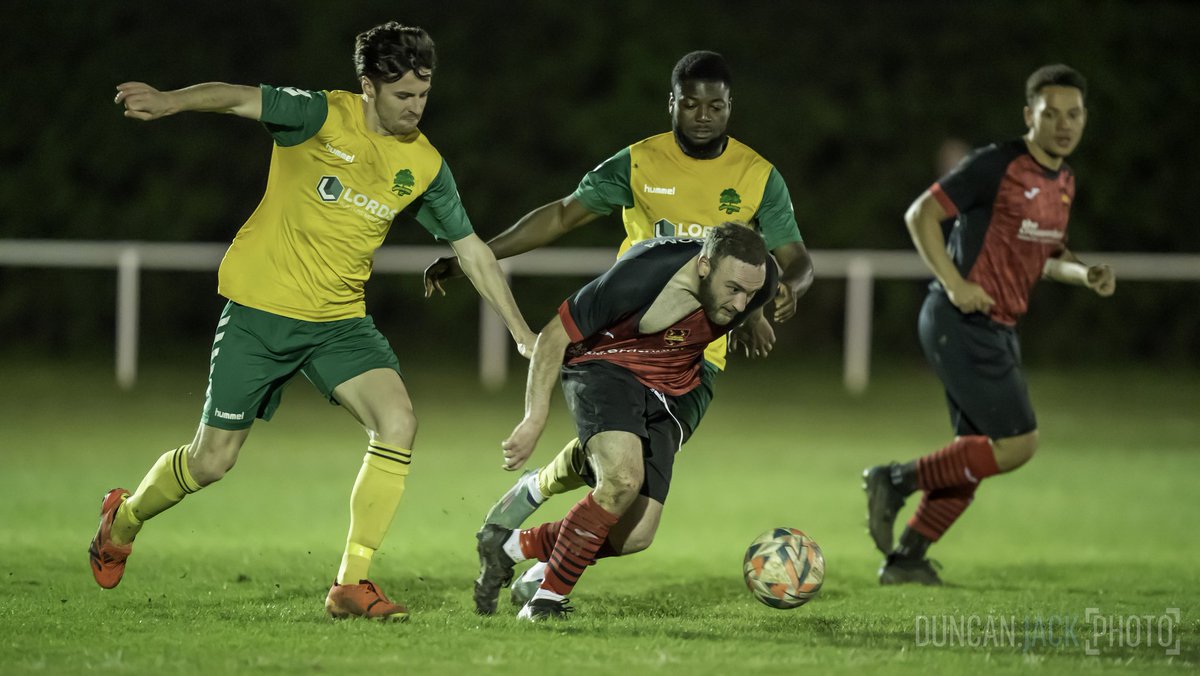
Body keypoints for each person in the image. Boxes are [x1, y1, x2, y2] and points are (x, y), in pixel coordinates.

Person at [88, 21, 535, 621]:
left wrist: (520, 332)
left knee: (398, 420)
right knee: (212, 461)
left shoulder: (425, 164)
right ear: (368, 86)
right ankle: (124, 517)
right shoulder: (318, 116)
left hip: (338, 325)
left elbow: (473, 249)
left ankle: (352, 583)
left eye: (424, 95)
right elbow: (236, 95)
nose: (416, 108)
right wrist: (169, 101)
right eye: (403, 96)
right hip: (260, 314)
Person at [422, 51, 813, 596]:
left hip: (699, 361)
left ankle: (527, 528)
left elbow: (793, 257)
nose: (703, 115)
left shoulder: (758, 175)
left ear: (731, 108)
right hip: (626, 343)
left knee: (633, 529)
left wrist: (778, 293)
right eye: (691, 104)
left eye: (716, 106)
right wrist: (479, 255)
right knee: (619, 478)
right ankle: (547, 584)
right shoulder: (639, 162)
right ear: (671, 103)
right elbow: (561, 214)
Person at [863, 64, 1116, 585]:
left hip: (995, 327)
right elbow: (920, 216)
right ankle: (894, 479)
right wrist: (955, 284)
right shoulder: (996, 165)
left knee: (972, 458)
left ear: (1086, 119)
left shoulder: (1064, 181)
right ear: (1030, 115)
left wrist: (1082, 272)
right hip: (962, 319)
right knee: (1018, 443)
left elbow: (1049, 255)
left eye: (1075, 115)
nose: (1064, 124)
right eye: (1052, 114)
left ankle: (907, 559)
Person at [474, 224, 778, 619]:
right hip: (605, 365)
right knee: (622, 479)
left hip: (672, 386)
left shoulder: (760, 279)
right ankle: (545, 601)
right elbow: (552, 338)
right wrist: (534, 419)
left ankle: (510, 546)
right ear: (704, 266)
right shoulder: (642, 276)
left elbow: (751, 295)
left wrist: (754, 317)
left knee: (635, 535)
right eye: (733, 289)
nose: (740, 303)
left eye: (750, 294)